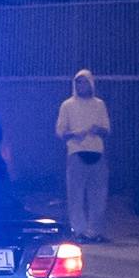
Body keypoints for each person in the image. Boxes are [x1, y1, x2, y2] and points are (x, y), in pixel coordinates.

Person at [55, 69, 111, 241]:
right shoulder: (68, 105)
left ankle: (94, 231)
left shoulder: (99, 104)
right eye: (78, 82)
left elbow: (107, 129)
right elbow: (60, 131)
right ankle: (79, 230)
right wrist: (74, 134)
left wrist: (97, 130)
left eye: (84, 82)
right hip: (76, 152)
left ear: (91, 83)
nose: (81, 86)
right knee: (76, 194)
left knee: (98, 194)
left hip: (96, 152)